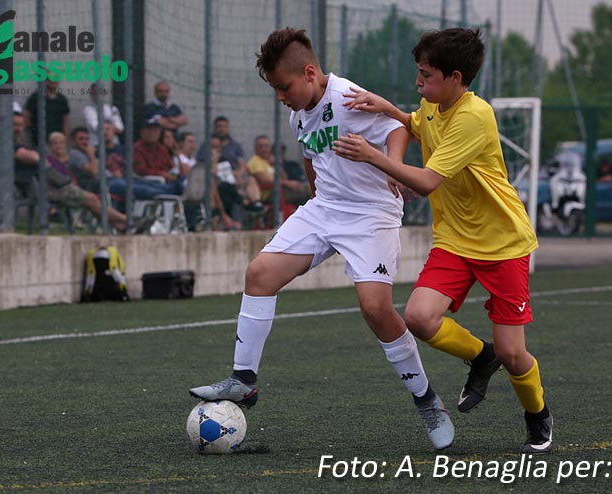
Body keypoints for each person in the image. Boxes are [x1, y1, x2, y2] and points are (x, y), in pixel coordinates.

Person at [189, 27, 455, 451]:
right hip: (325, 208)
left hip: (371, 215)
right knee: (260, 274)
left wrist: (393, 166)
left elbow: (397, 125)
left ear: (310, 73)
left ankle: (427, 401)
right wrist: (315, 199)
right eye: (276, 89)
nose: (281, 96)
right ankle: (243, 379)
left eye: (284, 87)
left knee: (376, 308)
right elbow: (312, 157)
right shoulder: (298, 113)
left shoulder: (346, 96)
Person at [332, 27, 553, 454]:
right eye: (418, 73)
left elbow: (428, 181)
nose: (418, 82)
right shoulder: (433, 104)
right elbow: (419, 127)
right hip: (454, 240)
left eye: (426, 75)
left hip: (502, 244)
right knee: (418, 317)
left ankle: (537, 413)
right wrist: (389, 109)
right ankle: (481, 356)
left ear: (455, 78)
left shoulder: (474, 116)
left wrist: (373, 156)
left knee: (514, 354)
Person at [44, 132, 127, 232]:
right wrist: (91, 155)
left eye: (61, 143)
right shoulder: (49, 161)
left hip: (81, 188)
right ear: (50, 146)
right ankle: (127, 220)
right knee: (93, 199)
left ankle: (121, 226)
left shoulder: (71, 158)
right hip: (62, 191)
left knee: (95, 201)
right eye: (55, 143)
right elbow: (63, 180)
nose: (59, 146)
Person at [24, 78, 70, 146]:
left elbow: (65, 122)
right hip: (39, 140)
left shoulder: (62, 99)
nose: (53, 81)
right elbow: (26, 117)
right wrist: (35, 129)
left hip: (57, 140)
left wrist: (65, 140)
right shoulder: (35, 97)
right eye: (50, 79)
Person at [245, 135, 276, 204]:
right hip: (267, 196)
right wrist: (287, 183)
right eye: (260, 147)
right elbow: (265, 180)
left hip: (276, 192)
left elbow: (284, 177)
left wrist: (277, 164)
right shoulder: (255, 161)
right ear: (255, 149)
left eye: (266, 146)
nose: (264, 149)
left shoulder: (269, 161)